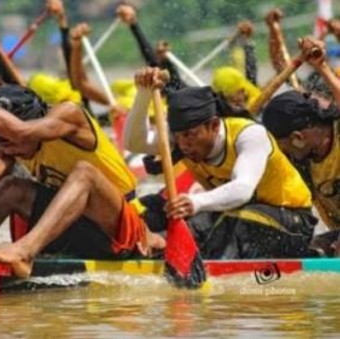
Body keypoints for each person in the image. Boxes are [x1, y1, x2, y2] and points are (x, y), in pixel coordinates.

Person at [0, 75, 164, 277]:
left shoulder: (69, 115)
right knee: (11, 187)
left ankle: (24, 253)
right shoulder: (11, 143)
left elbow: (19, 131)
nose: (9, 150)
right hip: (72, 230)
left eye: (12, 144)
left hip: (123, 232)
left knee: (85, 173)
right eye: (1, 143)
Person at [127, 67, 317, 259]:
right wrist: (143, 93)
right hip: (231, 214)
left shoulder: (249, 135)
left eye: (190, 135)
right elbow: (134, 142)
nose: (183, 145)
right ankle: (144, 255)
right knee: (147, 208)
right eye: (178, 137)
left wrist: (196, 202)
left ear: (214, 125)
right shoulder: (180, 139)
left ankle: (194, 267)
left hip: (293, 221)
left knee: (231, 220)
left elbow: (242, 189)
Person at [261, 37, 340, 256]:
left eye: (283, 145)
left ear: (298, 137)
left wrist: (322, 66)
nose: (283, 152)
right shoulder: (301, 160)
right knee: (305, 251)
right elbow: (279, 64)